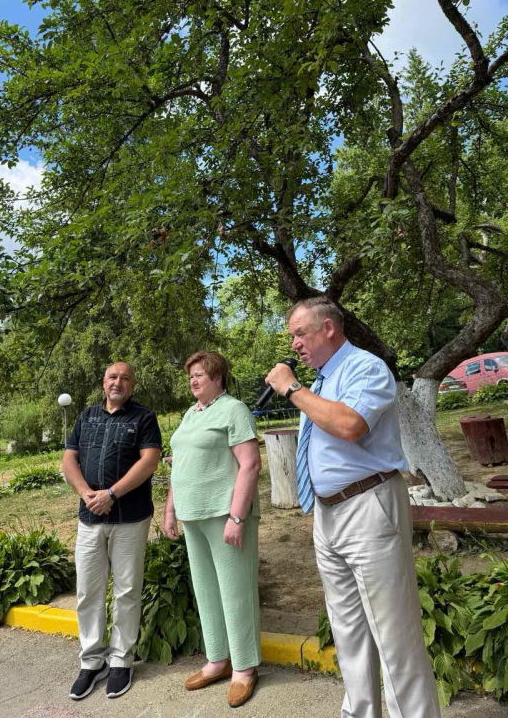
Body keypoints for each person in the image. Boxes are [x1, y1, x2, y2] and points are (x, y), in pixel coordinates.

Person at [265, 298, 441, 718]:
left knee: (394, 633)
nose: (295, 344)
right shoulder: (322, 380)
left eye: (300, 333)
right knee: (347, 628)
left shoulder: (365, 367)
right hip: (327, 514)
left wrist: (292, 388)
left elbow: (348, 425)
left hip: (368, 506)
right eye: (292, 336)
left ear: (328, 328)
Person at [163, 350, 262, 709]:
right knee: (206, 591)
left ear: (218, 378)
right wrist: (171, 510)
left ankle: (244, 668)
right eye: (190, 375)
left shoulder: (233, 410)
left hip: (224, 514)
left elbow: (250, 465)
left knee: (236, 592)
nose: (193, 381)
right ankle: (217, 660)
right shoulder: (192, 414)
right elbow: (179, 466)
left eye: (200, 375)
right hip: (194, 515)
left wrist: (237, 517)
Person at [62, 362, 161, 701]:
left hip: (130, 518)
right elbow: (68, 461)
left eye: (124, 378)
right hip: (89, 517)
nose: (118, 382)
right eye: (112, 377)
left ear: (133, 385)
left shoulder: (144, 418)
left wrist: (112, 494)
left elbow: (149, 462)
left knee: (127, 590)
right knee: (88, 592)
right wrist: (86, 494)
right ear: (103, 383)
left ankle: (121, 660)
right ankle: (91, 662)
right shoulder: (86, 416)